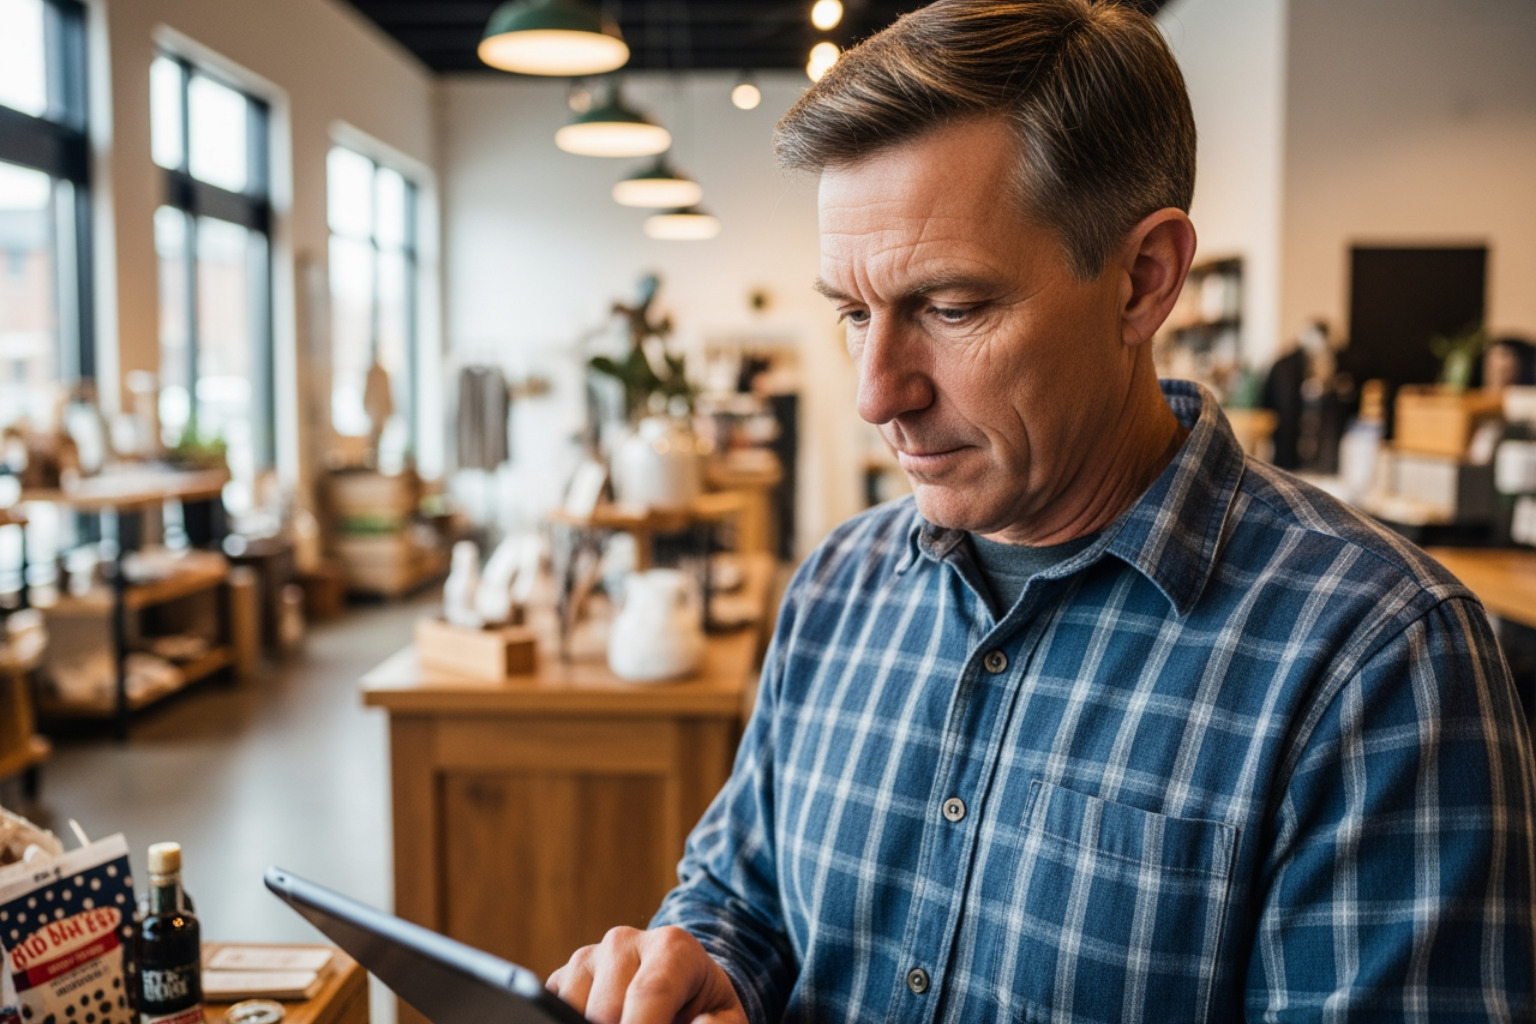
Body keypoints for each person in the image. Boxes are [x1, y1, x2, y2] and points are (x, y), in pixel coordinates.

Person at [548, 1, 1536, 1021]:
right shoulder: (837, 585)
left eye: (952, 308)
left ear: (1143, 281)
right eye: (852, 312)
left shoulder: (1380, 668)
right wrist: (700, 971)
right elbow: (742, 897)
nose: (876, 395)